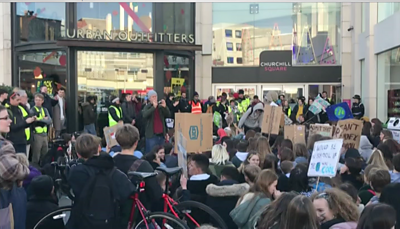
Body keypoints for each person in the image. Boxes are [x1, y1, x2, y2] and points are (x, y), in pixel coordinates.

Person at [67, 134, 135, 229]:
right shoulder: (115, 172)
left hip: (83, 222)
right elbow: (128, 194)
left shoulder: (77, 172)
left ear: (78, 154)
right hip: (110, 222)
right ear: (99, 148)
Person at [112, 124, 162, 221]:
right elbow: (156, 194)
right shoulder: (144, 165)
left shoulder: (110, 163)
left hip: (113, 213)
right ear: (136, 143)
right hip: (137, 217)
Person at [0, 104, 30, 229]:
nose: (10, 120)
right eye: (5, 118)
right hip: (4, 201)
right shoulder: (3, 146)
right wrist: (24, 166)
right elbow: (12, 170)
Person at [31, 93, 53, 167]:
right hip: (37, 135)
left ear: (42, 101)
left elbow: (50, 121)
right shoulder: (32, 110)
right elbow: (33, 120)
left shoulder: (45, 110)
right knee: (36, 154)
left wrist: (39, 119)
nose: (38, 102)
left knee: (45, 153)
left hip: (44, 135)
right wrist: (43, 119)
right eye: (36, 100)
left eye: (39, 100)